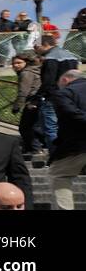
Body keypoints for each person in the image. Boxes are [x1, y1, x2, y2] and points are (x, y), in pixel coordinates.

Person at [44, 69, 86, 209]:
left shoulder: (64, 93)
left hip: (78, 144)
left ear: (65, 80)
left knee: (59, 175)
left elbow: (71, 114)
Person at [10, 53, 44, 155]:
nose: (16, 65)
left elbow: (23, 92)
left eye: (19, 63)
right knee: (32, 126)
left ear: (26, 62)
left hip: (33, 102)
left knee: (25, 127)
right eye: (13, 63)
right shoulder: (34, 71)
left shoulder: (26, 73)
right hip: (38, 101)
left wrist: (16, 107)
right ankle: (29, 148)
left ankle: (36, 149)